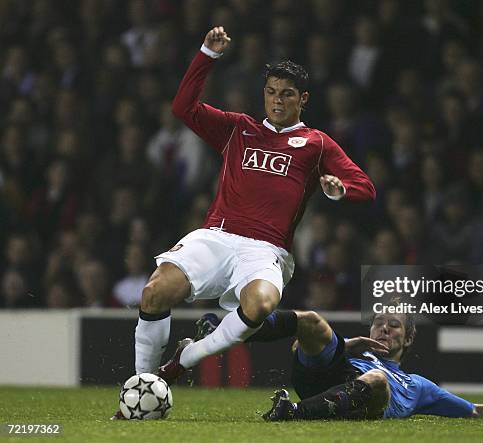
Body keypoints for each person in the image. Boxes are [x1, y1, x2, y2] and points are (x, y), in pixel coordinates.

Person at [112, 26, 375, 419]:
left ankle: (180, 363)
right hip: (217, 235)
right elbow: (183, 107)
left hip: (265, 248)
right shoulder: (240, 129)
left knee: (262, 304)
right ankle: (141, 390)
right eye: (271, 92)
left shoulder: (317, 143)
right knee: (154, 293)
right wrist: (206, 55)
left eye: (287, 94)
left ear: (303, 99)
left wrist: (338, 191)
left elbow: (365, 187)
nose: (277, 100)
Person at [206, 308, 483, 421]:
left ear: (408, 339)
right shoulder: (357, 350)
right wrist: (347, 344)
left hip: (366, 401)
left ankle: (292, 413)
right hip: (331, 378)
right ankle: (227, 331)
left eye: (393, 325)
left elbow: (475, 410)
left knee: (378, 379)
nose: (383, 328)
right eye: (379, 323)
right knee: (312, 322)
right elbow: (303, 345)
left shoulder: (418, 385)